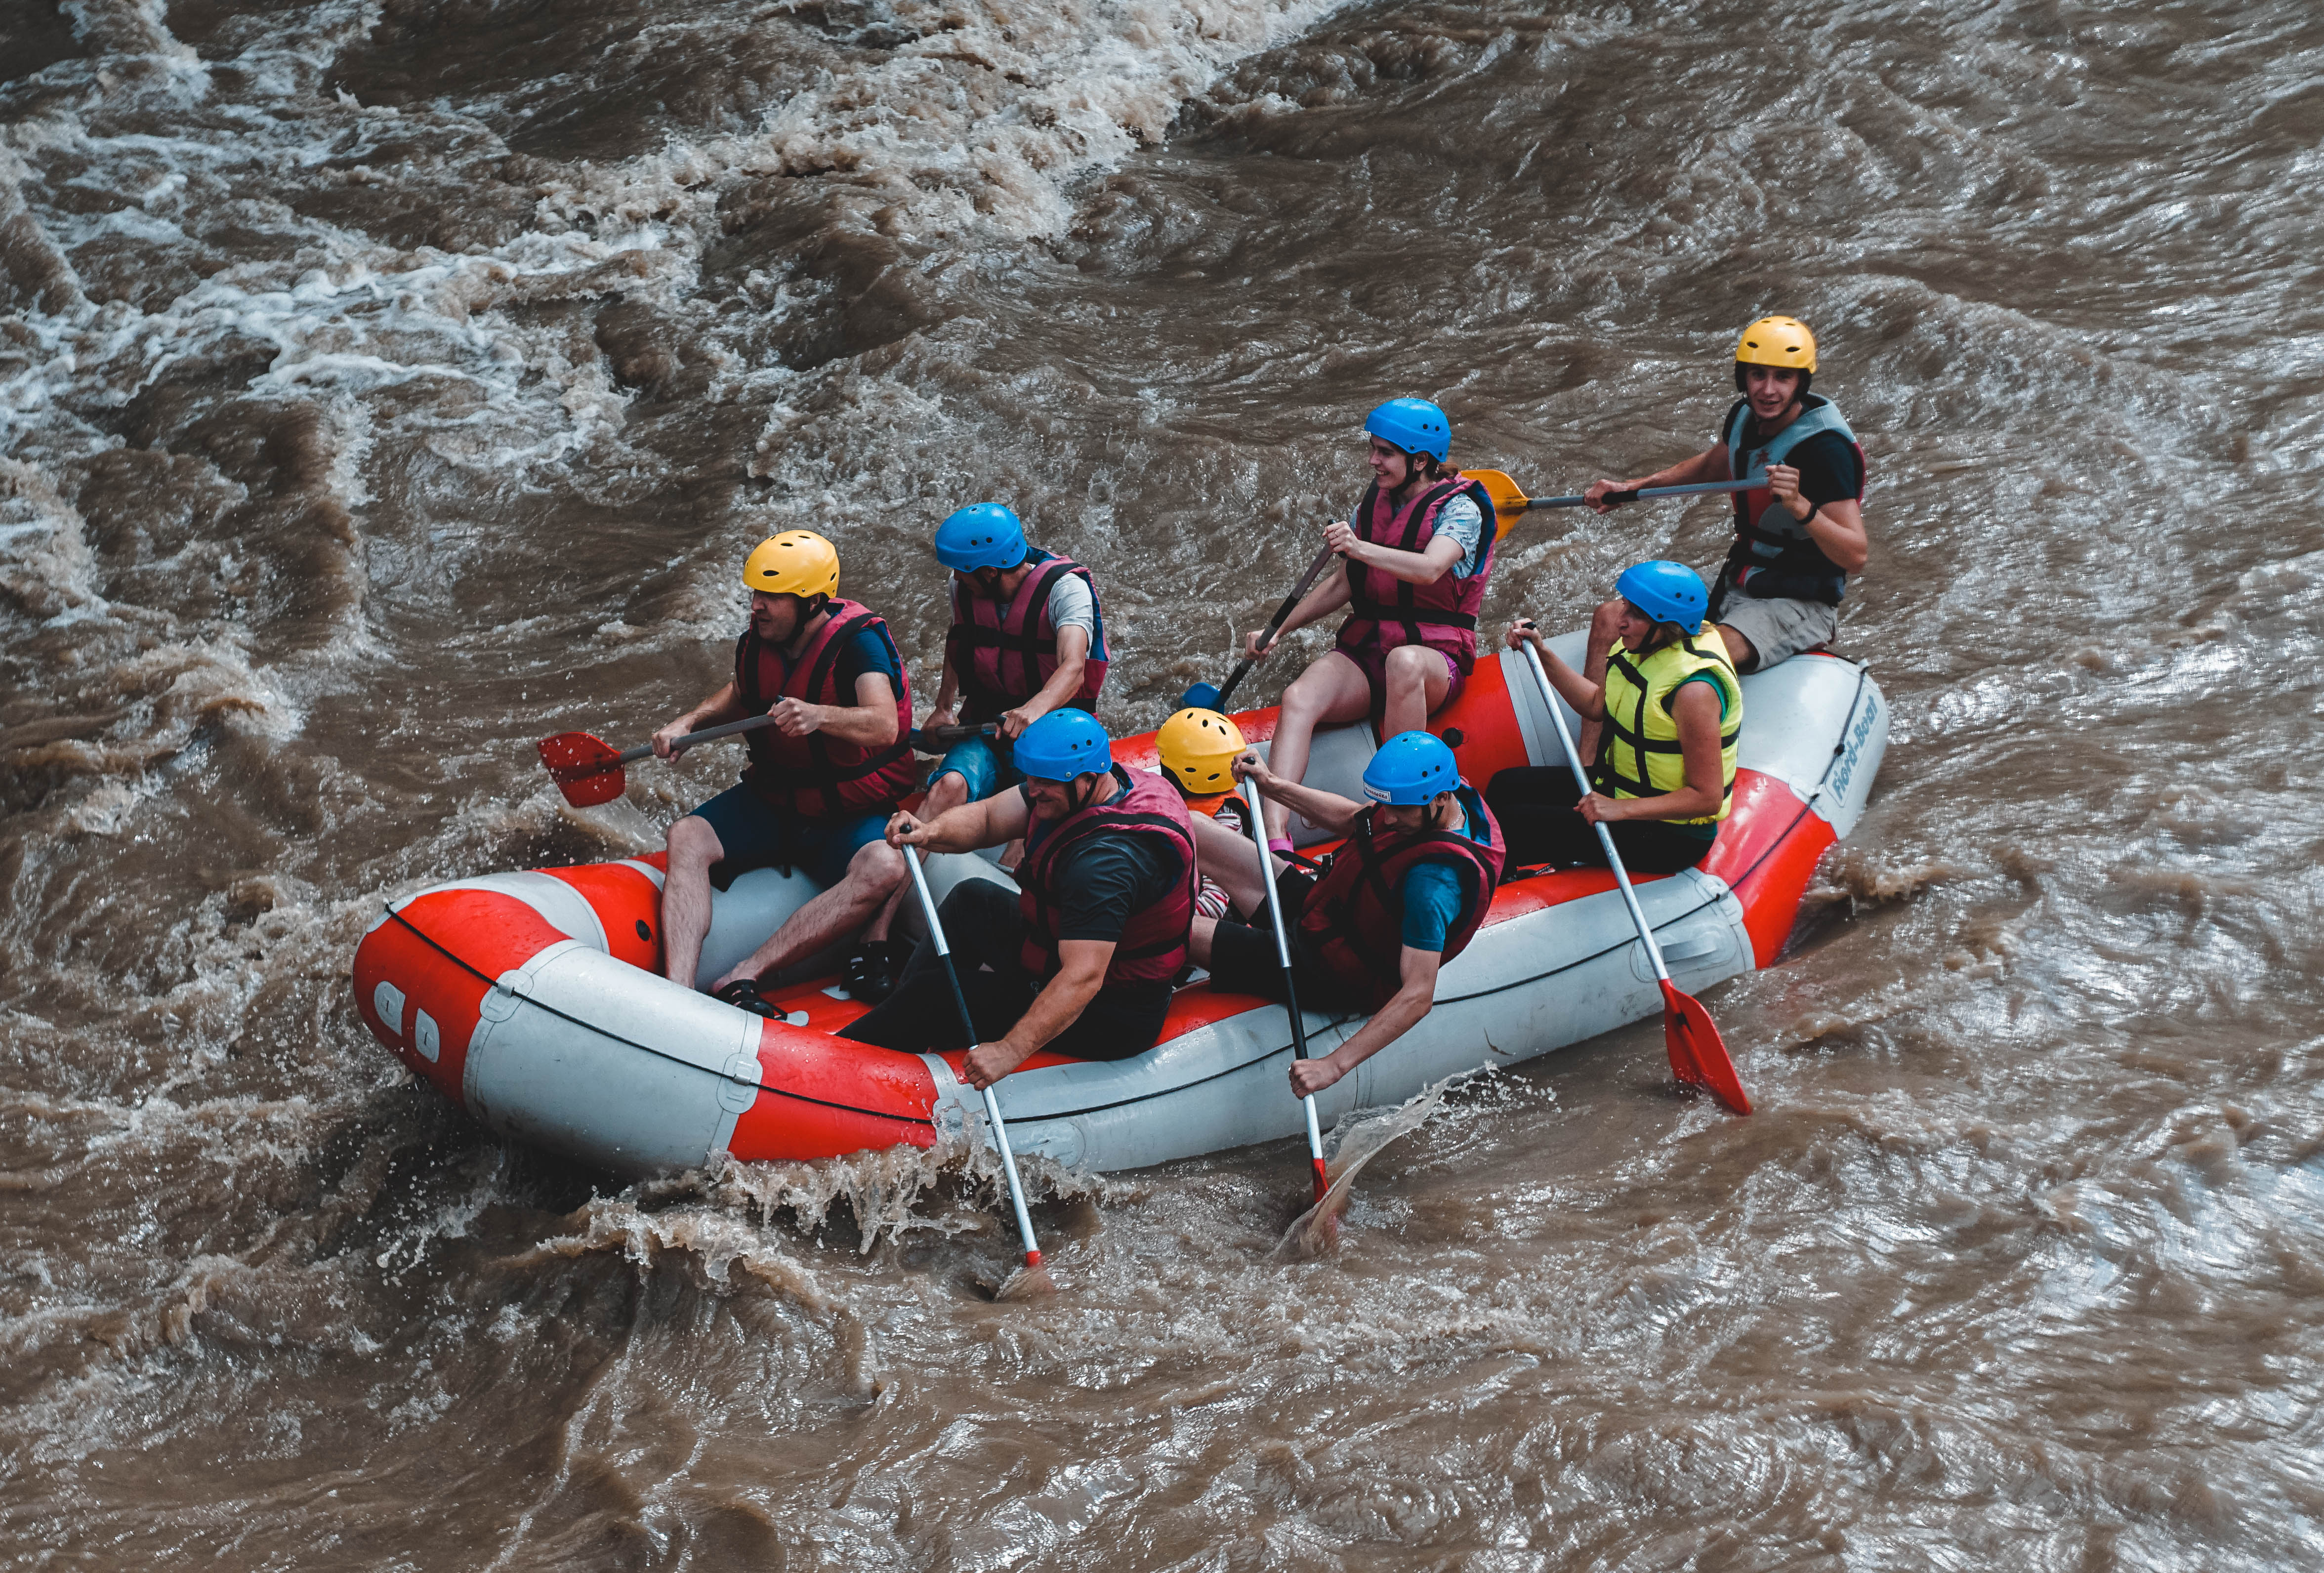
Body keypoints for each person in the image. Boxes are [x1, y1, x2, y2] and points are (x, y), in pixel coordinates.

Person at [841, 709, 1196, 1087]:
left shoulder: (1103, 866)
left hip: (1112, 1010)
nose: (1033, 789)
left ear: (1089, 780)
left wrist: (1009, 1051)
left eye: (1044, 783)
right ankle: (902, 1019)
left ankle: (847, 1071)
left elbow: (1083, 977)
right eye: (1031, 778)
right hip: (1059, 953)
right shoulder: (1083, 786)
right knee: (972, 900)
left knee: (938, 994)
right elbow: (990, 819)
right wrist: (928, 832)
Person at [847, 502, 1110, 1001]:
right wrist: (944, 706)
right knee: (947, 785)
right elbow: (960, 640)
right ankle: (875, 935)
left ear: (988, 571)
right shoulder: (964, 587)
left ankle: (1013, 952)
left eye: (962, 572)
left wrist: (1032, 712)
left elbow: (1073, 667)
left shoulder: (1065, 591)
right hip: (988, 723)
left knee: (1025, 840)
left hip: (1055, 732)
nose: (955, 579)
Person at [653, 530, 914, 1014]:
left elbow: (884, 724)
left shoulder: (861, 645)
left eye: (774, 597)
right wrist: (688, 723)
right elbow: (740, 694)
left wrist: (820, 715)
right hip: (774, 801)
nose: (758, 606)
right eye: (756, 594)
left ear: (813, 603)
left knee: (886, 866)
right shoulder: (758, 643)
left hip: (845, 811)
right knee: (688, 834)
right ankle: (676, 992)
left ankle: (744, 975)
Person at [1234, 398, 1498, 855]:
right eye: (1373, 450)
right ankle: (1276, 837)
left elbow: (1430, 569)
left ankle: (1400, 813)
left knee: (1404, 662)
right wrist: (1279, 629)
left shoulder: (1462, 511)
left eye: (1386, 453)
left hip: (1434, 660)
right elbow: (1345, 584)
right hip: (1371, 647)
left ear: (1421, 460)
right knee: (1298, 698)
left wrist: (1359, 547)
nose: (1374, 461)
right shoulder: (1375, 502)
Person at [1189, 730, 1504, 1099]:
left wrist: (1332, 1066)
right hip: (1324, 912)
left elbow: (1418, 995)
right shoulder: (1432, 799)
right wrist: (1271, 785)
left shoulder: (1433, 886)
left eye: (1400, 810)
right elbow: (1356, 820)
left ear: (1441, 799)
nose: (1389, 818)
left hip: (1327, 971)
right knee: (1192, 828)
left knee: (1182, 931)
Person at [1580, 315, 1865, 704]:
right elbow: (1713, 466)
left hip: (1800, 601)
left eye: (1783, 377)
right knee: (1608, 620)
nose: (1767, 390)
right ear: (1742, 378)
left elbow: (1855, 554)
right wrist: (1632, 489)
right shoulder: (1745, 417)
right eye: (1757, 375)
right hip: (1739, 582)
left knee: (1694, 658)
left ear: (1801, 382)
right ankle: (1591, 758)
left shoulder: (1825, 451)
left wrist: (1801, 506)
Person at [1489, 560, 1742, 874]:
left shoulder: (1694, 692)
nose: (1620, 622)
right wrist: (1542, 653)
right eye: (1625, 607)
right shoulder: (1644, 649)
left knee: (1516, 825)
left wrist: (1620, 809)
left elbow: (1707, 799)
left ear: (1668, 625)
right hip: (1622, 788)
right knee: (1505, 786)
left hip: (1667, 834)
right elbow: (1597, 705)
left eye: (1636, 615)